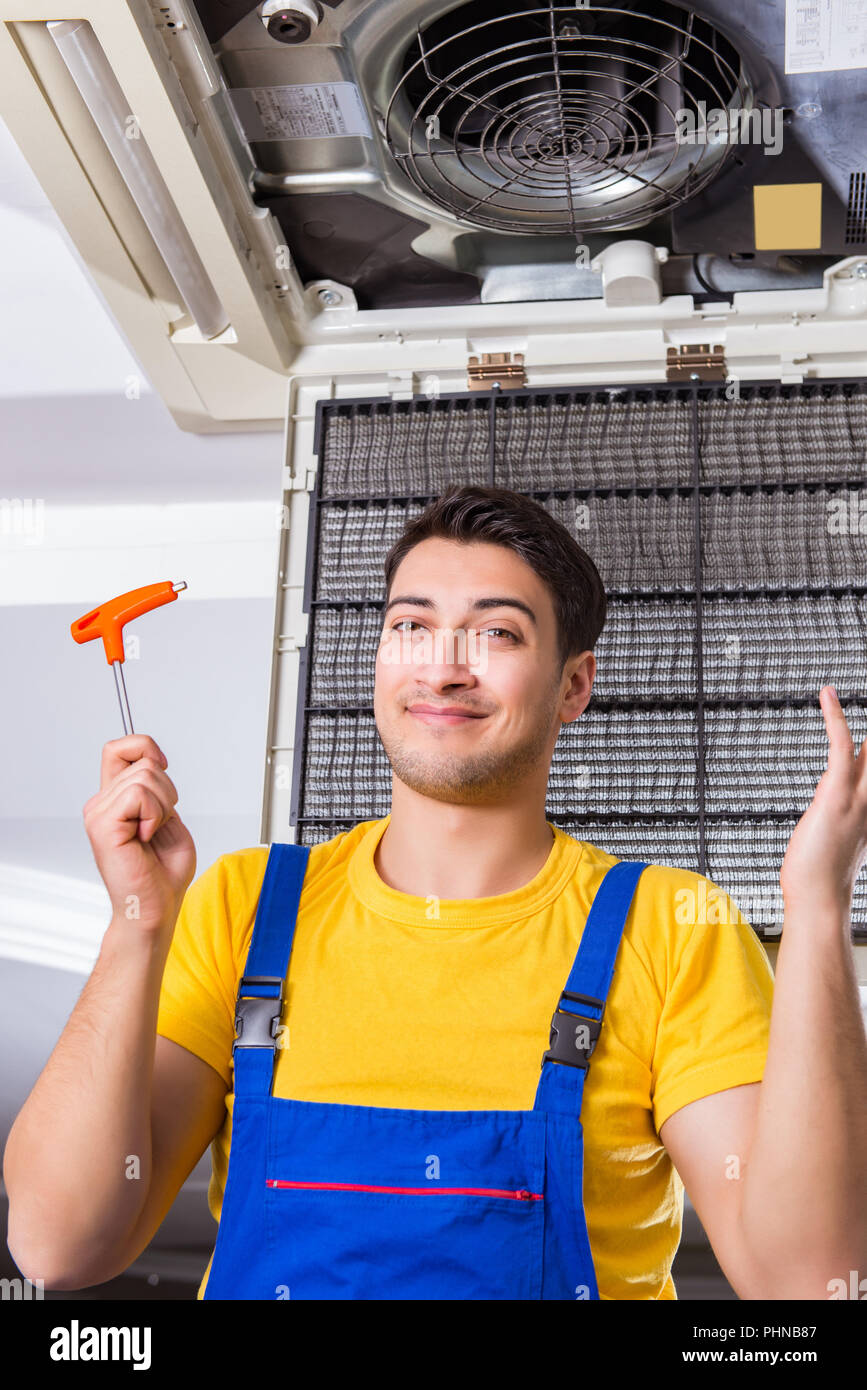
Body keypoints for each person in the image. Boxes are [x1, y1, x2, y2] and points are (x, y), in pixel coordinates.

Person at [5, 485, 867, 1299]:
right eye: (411, 626)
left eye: (497, 634)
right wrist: (136, 924)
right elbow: (57, 1245)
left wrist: (819, 909)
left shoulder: (670, 928)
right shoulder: (245, 905)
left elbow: (807, 1281)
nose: (444, 669)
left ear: (573, 685)